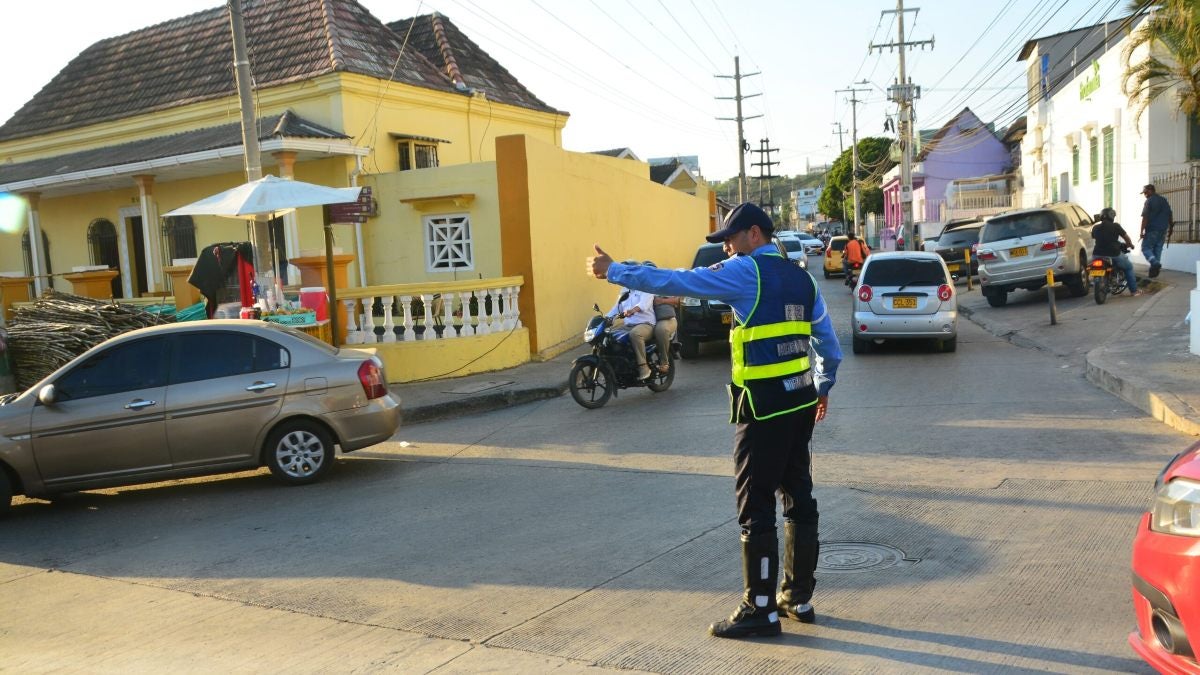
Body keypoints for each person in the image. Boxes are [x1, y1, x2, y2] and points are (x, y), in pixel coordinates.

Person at [586, 202, 842, 639]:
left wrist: (617, 271)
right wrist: (822, 386)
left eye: (732, 236)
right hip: (800, 405)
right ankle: (797, 597)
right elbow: (829, 344)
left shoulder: (747, 273)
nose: (726, 245)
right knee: (798, 494)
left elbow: (679, 281)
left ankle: (759, 609)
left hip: (761, 408)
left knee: (755, 503)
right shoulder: (802, 278)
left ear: (756, 235)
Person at [605, 277, 656, 380]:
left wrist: (632, 311)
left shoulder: (646, 289)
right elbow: (616, 308)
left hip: (646, 324)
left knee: (635, 334)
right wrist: (605, 319)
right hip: (628, 325)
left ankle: (643, 367)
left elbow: (643, 305)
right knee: (611, 338)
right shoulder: (624, 291)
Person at [1092, 207, 1139, 296]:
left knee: (1094, 267)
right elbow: (1126, 237)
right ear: (1112, 216)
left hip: (1097, 254)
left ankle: (1097, 281)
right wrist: (1130, 245)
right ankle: (1134, 291)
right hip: (1113, 253)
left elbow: (1094, 237)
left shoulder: (1095, 227)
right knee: (1129, 267)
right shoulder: (1116, 226)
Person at [642, 261, 678, 373]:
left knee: (660, 330)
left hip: (666, 320)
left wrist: (662, 300)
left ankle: (664, 362)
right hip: (647, 321)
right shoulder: (640, 288)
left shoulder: (663, 285)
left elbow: (677, 300)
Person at [1140, 184, 1173, 278]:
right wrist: (1171, 228)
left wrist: (1141, 231)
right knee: (1157, 250)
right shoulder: (1164, 200)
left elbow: (1145, 218)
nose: (1145, 194)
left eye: (1146, 192)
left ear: (1151, 190)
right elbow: (1170, 214)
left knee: (1145, 248)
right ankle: (1154, 272)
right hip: (1163, 229)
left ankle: (1155, 263)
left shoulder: (1149, 201)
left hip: (1152, 229)